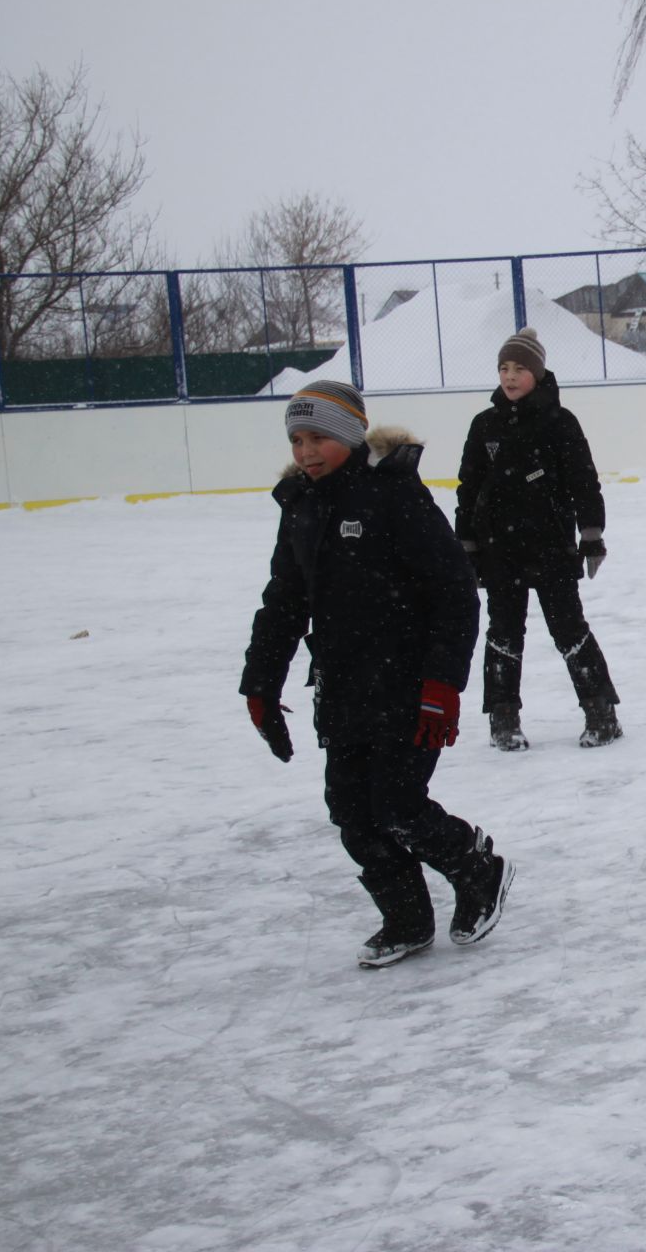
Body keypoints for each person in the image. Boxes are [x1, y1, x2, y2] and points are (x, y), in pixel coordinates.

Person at [241, 380, 513, 969]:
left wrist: (443, 684)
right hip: (342, 687)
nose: (307, 451)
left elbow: (455, 591)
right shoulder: (301, 507)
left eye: (319, 438)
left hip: (409, 685)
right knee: (351, 811)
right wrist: (260, 686)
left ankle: (477, 866)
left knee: (396, 803)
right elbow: (283, 603)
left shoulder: (394, 496)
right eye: (297, 439)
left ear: (349, 436)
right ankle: (407, 918)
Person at [456, 327, 622, 751]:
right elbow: (468, 489)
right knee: (503, 632)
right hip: (500, 552)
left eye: (519, 368)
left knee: (569, 629)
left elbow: (584, 481)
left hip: (550, 547)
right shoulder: (484, 425)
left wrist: (591, 536)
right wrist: (468, 545)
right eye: (503, 368)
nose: (510, 377)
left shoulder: (559, 422)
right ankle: (503, 717)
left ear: (538, 372)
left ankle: (601, 711)